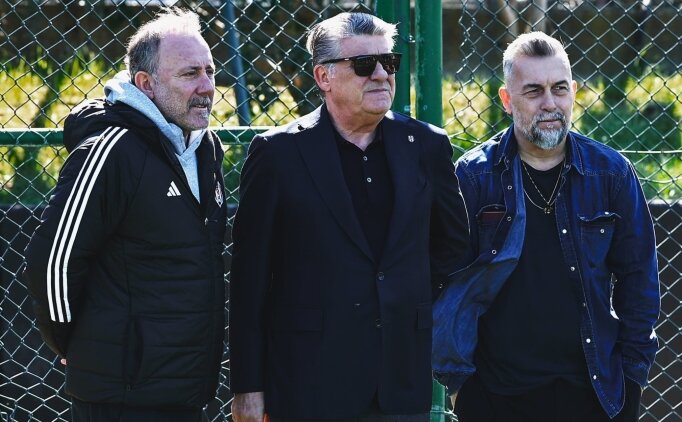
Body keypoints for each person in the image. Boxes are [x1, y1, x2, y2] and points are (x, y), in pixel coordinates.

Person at [229, 12, 469, 422]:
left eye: (389, 62)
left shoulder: (426, 146)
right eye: (363, 64)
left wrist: (405, 299)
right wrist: (247, 386)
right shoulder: (278, 154)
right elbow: (249, 280)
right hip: (308, 382)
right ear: (323, 76)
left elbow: (453, 246)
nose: (381, 74)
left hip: (399, 382)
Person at [432, 32, 660, 422]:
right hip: (495, 396)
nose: (550, 103)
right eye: (534, 91)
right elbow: (445, 283)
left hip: (595, 394)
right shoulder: (474, 177)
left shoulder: (611, 174)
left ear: (574, 92)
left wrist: (632, 381)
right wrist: (461, 387)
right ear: (507, 100)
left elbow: (639, 283)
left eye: (559, 89)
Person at [23, 8, 227, 422]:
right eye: (190, 74)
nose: (207, 86)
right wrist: (72, 344)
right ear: (146, 84)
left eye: (209, 71)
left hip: (187, 390)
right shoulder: (111, 151)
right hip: (120, 397)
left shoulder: (206, 147)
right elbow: (53, 263)